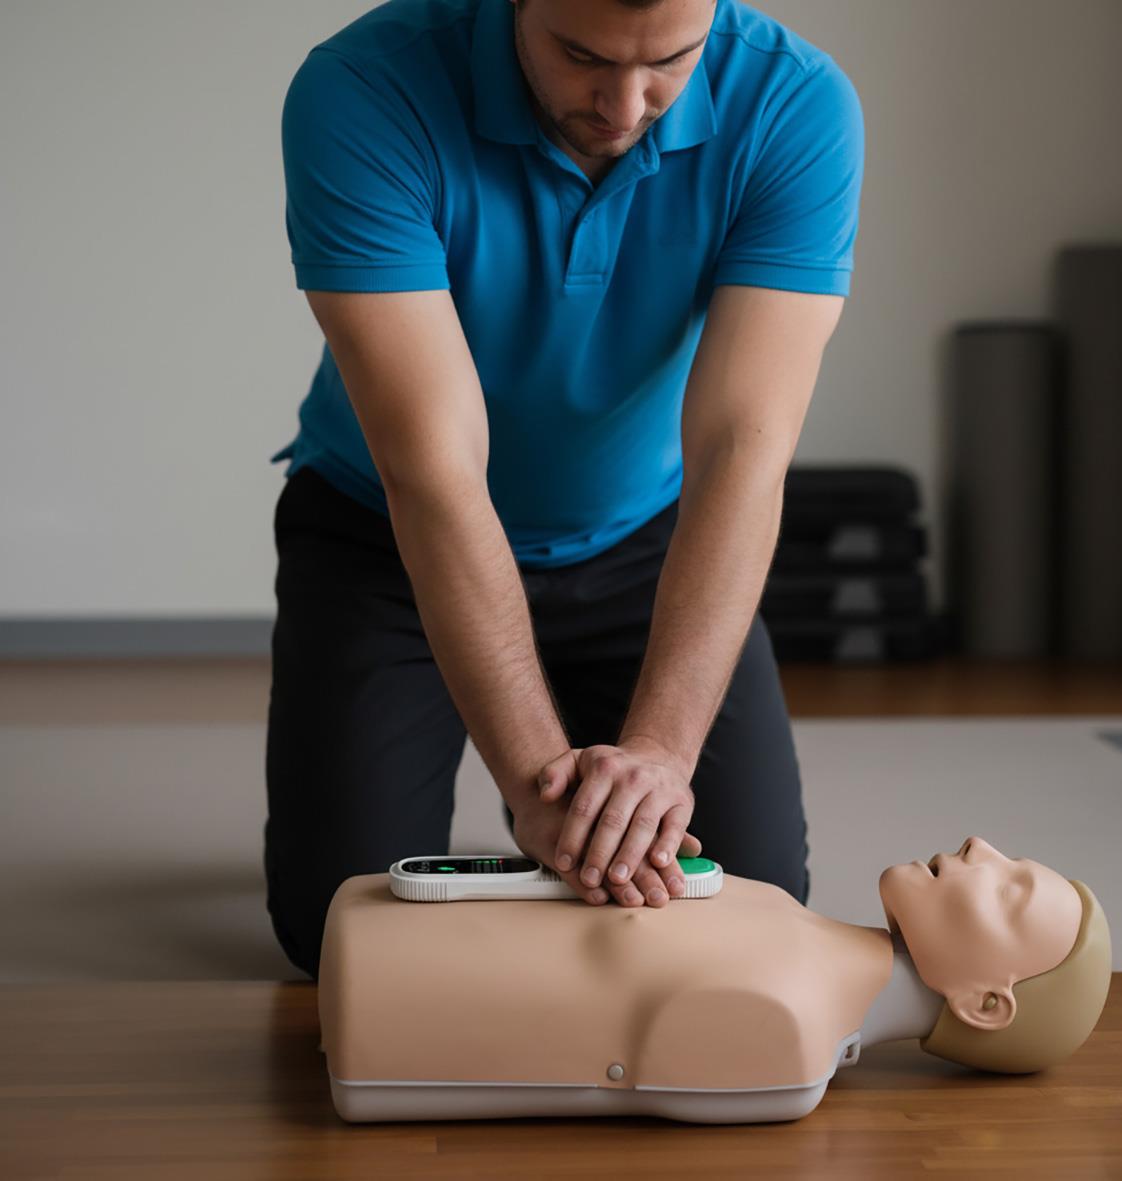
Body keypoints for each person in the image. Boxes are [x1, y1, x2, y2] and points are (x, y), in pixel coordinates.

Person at [266, 0, 865, 979]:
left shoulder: (795, 104)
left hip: (640, 540)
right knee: (332, 934)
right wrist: (538, 775)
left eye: (670, 61)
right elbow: (434, 468)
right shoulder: (363, 89)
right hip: (387, 538)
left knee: (746, 897)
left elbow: (738, 449)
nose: (625, 105)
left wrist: (661, 754)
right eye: (581, 56)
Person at [318, 836, 1114, 1123]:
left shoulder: (789, 1028)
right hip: (389, 956)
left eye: (1010, 889)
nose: (982, 845)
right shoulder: (782, 919)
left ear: (983, 1002)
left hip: (394, 984)